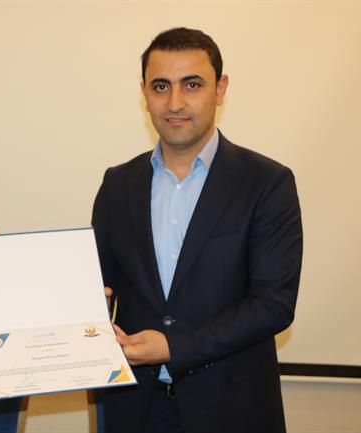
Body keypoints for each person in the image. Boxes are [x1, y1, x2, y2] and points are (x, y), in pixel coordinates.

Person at [92, 27, 303, 433]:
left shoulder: (267, 183)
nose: (175, 103)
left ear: (220, 89)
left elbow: (273, 304)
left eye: (192, 85)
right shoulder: (117, 184)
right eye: (160, 86)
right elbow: (100, 287)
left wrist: (173, 347)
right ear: (144, 93)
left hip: (232, 411)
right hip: (134, 410)